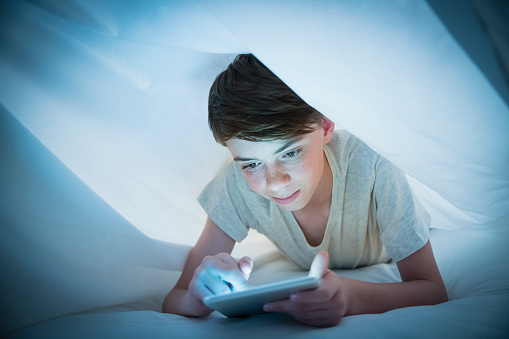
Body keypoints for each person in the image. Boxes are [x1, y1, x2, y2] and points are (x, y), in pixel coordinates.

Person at [162, 54, 448, 328]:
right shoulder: (234, 186)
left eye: (290, 153)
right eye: (251, 164)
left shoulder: (374, 166)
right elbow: (175, 298)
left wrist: (350, 297)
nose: (275, 182)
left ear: (325, 126)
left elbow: (432, 290)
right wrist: (195, 300)